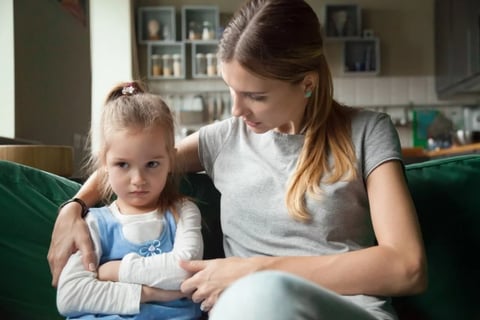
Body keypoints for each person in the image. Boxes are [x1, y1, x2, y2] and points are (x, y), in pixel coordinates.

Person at [48, 0, 428, 319]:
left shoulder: (367, 132)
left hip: (339, 309)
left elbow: (407, 267)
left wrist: (254, 271)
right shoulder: (223, 139)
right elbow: (136, 162)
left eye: (256, 96)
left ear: (307, 84)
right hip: (242, 311)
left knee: (262, 296)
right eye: (231, 90)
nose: (237, 109)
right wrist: (74, 207)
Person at [55, 81, 203, 319]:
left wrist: (115, 271)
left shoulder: (183, 211)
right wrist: (148, 293)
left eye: (152, 164)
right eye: (123, 164)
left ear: (170, 161)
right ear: (104, 163)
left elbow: (185, 270)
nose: (138, 180)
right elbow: (70, 296)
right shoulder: (94, 222)